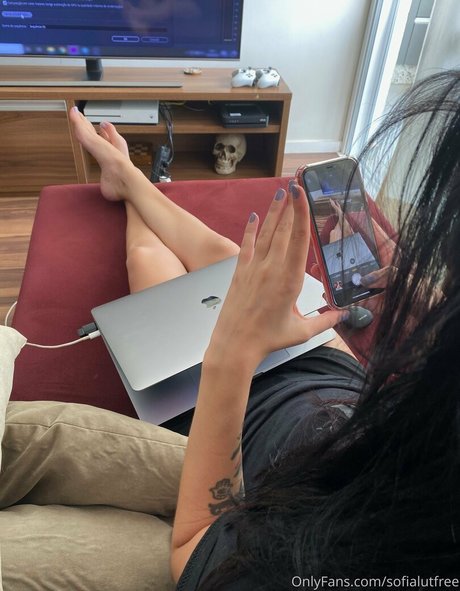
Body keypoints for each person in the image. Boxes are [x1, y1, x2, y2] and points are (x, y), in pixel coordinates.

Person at [68, 68, 459, 590]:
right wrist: (432, 320)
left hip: (232, 422)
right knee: (236, 263)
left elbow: (195, 550)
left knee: (151, 266)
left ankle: (133, 184)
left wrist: (233, 354)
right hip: (332, 375)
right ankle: (135, 181)